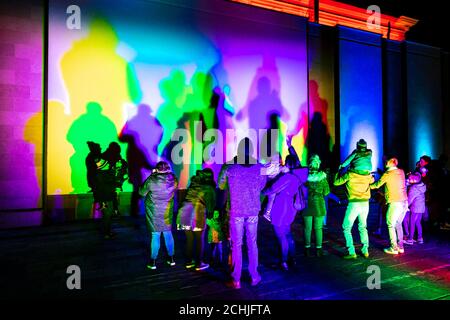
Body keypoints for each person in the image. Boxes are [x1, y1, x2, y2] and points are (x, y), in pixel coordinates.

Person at [218, 138, 266, 289]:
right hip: (252, 210)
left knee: (236, 244)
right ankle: (254, 276)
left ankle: (236, 279)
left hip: (236, 210)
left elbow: (220, 184)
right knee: (252, 243)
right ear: (251, 150)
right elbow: (262, 185)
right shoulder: (259, 166)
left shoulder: (229, 167)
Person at [262, 155, 302, 270]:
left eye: (285, 163)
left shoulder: (287, 177)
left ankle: (284, 261)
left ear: (288, 164)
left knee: (281, 236)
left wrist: (262, 191)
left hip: (280, 209)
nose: (282, 164)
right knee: (287, 234)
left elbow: (271, 189)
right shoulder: (296, 177)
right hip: (290, 209)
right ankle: (292, 259)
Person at [139, 161, 178, 270]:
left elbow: (142, 192)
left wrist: (152, 175)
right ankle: (171, 259)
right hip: (167, 211)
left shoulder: (152, 179)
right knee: (168, 234)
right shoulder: (174, 180)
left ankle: (153, 262)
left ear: (157, 169)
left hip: (154, 212)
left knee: (155, 235)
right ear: (168, 169)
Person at [334, 159, 374, 259]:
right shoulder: (366, 174)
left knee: (346, 227)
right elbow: (372, 180)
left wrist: (338, 171)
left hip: (354, 203)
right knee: (362, 226)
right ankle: (365, 250)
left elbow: (336, 182)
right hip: (365, 203)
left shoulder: (349, 174)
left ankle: (351, 252)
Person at [177, 169, 216, 271]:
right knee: (199, 239)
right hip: (196, 215)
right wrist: (210, 216)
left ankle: (189, 262)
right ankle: (199, 263)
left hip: (184, 214)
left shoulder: (193, 184)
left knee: (189, 239)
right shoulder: (209, 188)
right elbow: (211, 206)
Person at [371, 157, 408, 255]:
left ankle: (393, 247)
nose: (384, 163)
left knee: (390, 223)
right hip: (404, 202)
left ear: (390, 163)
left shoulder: (387, 174)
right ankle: (400, 246)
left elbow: (377, 185)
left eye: (386, 162)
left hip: (395, 202)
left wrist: (368, 183)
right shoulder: (401, 171)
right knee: (398, 224)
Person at [302, 154, 330, 257]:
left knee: (307, 228)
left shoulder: (304, 177)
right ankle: (319, 250)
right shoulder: (322, 177)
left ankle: (307, 249)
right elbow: (327, 192)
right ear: (318, 165)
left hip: (307, 204)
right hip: (319, 206)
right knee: (318, 228)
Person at [101, 142, 128, 217]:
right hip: (109, 182)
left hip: (113, 182)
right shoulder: (106, 156)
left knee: (113, 196)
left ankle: (113, 210)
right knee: (112, 196)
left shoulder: (113, 155)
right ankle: (112, 210)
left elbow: (122, 165)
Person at [404, 172, 426, 245]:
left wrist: (405, 206)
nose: (409, 180)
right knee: (418, 222)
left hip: (415, 208)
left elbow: (409, 200)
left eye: (410, 179)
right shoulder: (422, 186)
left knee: (412, 222)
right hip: (421, 208)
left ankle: (410, 239)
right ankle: (420, 238)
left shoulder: (414, 188)